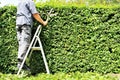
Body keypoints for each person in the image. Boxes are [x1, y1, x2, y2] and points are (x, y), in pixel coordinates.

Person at [16, 0, 48, 70]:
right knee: (25, 43)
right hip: (25, 24)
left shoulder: (20, 2)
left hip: (18, 24)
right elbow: (35, 14)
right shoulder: (30, 2)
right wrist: (43, 22)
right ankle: (21, 62)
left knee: (21, 43)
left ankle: (21, 62)